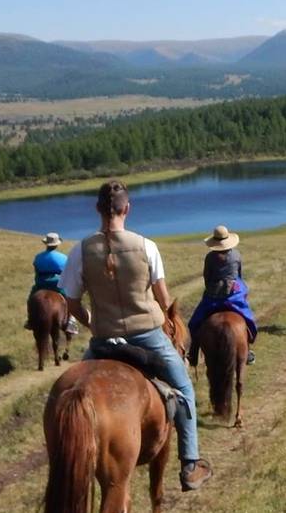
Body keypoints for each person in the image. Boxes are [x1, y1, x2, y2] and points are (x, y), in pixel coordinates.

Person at [59, 180, 212, 491]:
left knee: (70, 392)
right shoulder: (146, 247)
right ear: (126, 208)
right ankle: (190, 463)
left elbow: (71, 303)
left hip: (103, 341)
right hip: (147, 337)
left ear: (98, 209)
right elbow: (164, 299)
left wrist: (91, 323)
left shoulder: (80, 250)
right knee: (183, 387)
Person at [187, 225, 258, 365]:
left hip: (213, 295)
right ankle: (247, 348)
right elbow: (239, 275)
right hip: (234, 295)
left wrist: (212, 288)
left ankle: (193, 353)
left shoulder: (210, 257)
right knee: (247, 316)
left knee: (194, 322)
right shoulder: (236, 255)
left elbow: (207, 277)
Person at [25, 232, 79, 335]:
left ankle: (30, 320)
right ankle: (71, 322)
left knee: (31, 297)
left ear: (46, 244)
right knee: (70, 299)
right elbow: (67, 272)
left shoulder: (38, 257)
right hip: (58, 284)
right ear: (57, 244)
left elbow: (37, 271)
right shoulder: (63, 257)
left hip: (41, 283)